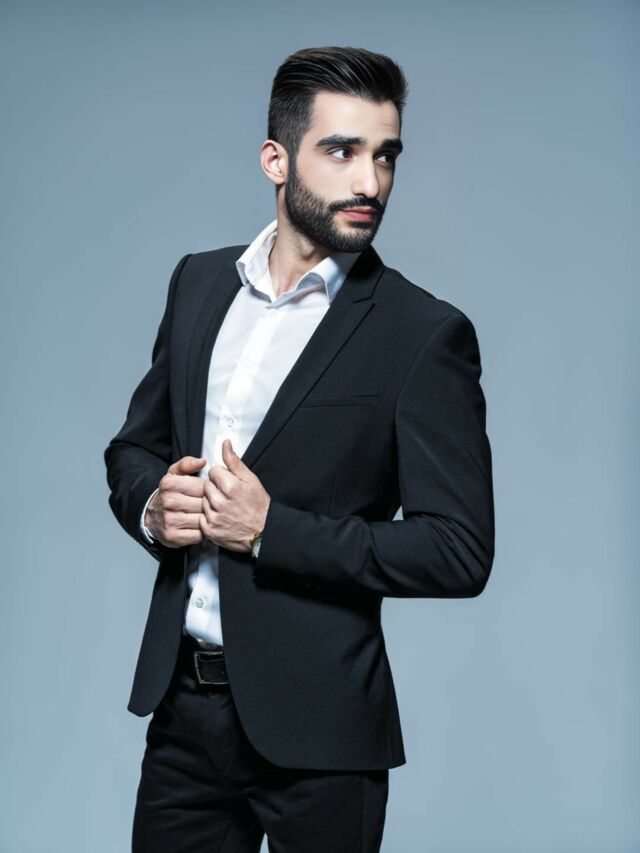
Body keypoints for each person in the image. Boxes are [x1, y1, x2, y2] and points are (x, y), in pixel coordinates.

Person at [104, 45, 495, 853]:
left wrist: (269, 530)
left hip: (325, 733)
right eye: (342, 151)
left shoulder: (422, 334)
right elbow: (134, 448)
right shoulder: (198, 284)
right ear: (275, 160)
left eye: (386, 155)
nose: (371, 182)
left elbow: (458, 549)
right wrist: (153, 506)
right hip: (183, 713)